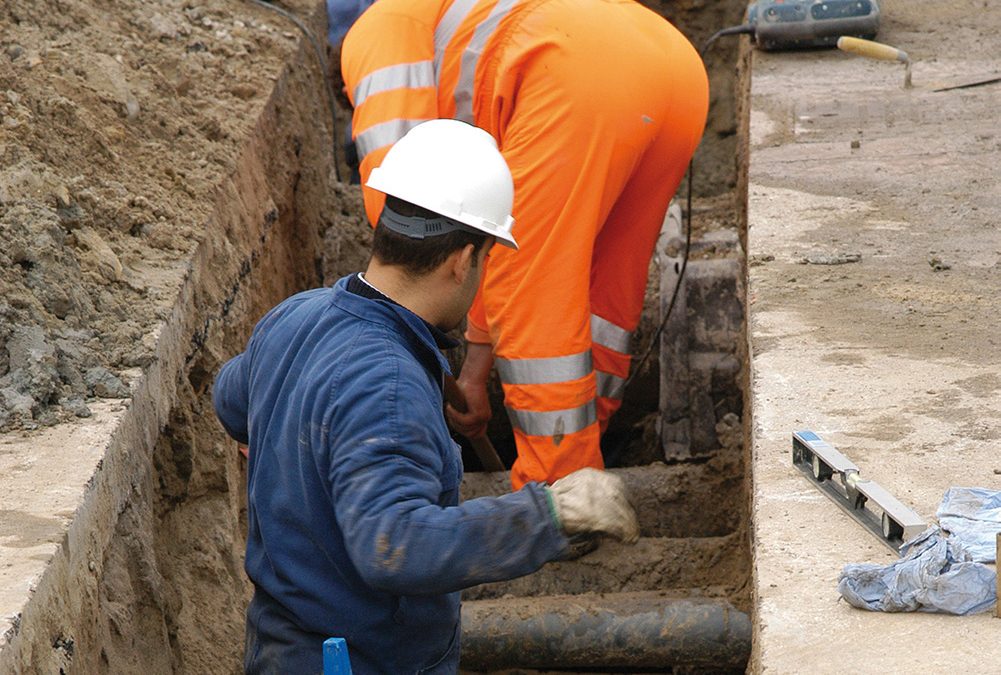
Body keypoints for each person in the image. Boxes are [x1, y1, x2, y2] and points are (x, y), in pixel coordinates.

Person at [213, 119, 640, 674]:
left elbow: (231, 399)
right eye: (485, 260)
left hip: (281, 645)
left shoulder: (298, 314)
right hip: (362, 661)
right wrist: (550, 515)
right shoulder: (388, 384)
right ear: (463, 259)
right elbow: (396, 544)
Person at [338, 0, 709, 490]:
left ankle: (561, 490)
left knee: (533, 284)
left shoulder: (376, 30)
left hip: (577, 77)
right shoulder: (453, 13)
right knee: (602, 284)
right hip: (672, 69)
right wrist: (473, 367)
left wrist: (421, 346)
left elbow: (408, 204)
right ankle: (587, 437)